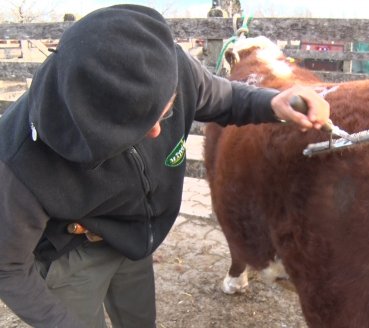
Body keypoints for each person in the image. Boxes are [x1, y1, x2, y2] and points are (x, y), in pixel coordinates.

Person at [0, 5, 330, 328]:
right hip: (74, 251)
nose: (158, 131)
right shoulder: (20, 163)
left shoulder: (166, 66)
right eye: (138, 124)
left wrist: (270, 103)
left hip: (134, 237)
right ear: (95, 119)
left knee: (141, 320)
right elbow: (8, 268)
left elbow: (221, 97)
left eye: (167, 109)